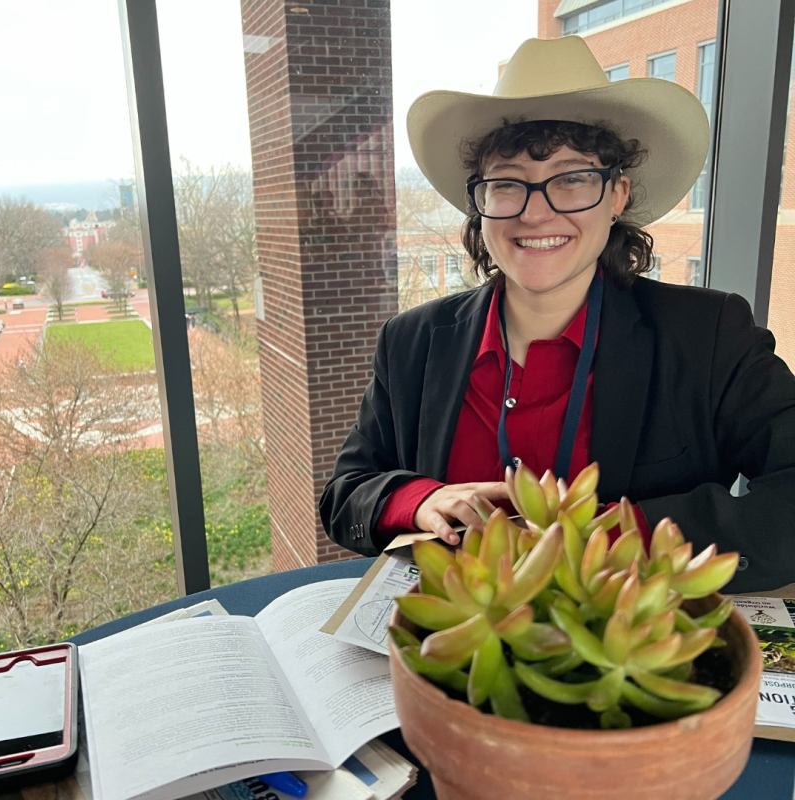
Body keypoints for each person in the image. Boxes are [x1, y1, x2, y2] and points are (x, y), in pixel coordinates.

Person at [319, 36, 795, 593]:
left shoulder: (707, 336)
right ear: (481, 203)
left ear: (617, 195)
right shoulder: (412, 341)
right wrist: (423, 499)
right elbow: (347, 491)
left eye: (572, 178)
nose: (536, 211)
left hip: (627, 646)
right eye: (507, 182)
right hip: (458, 645)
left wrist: (627, 535)